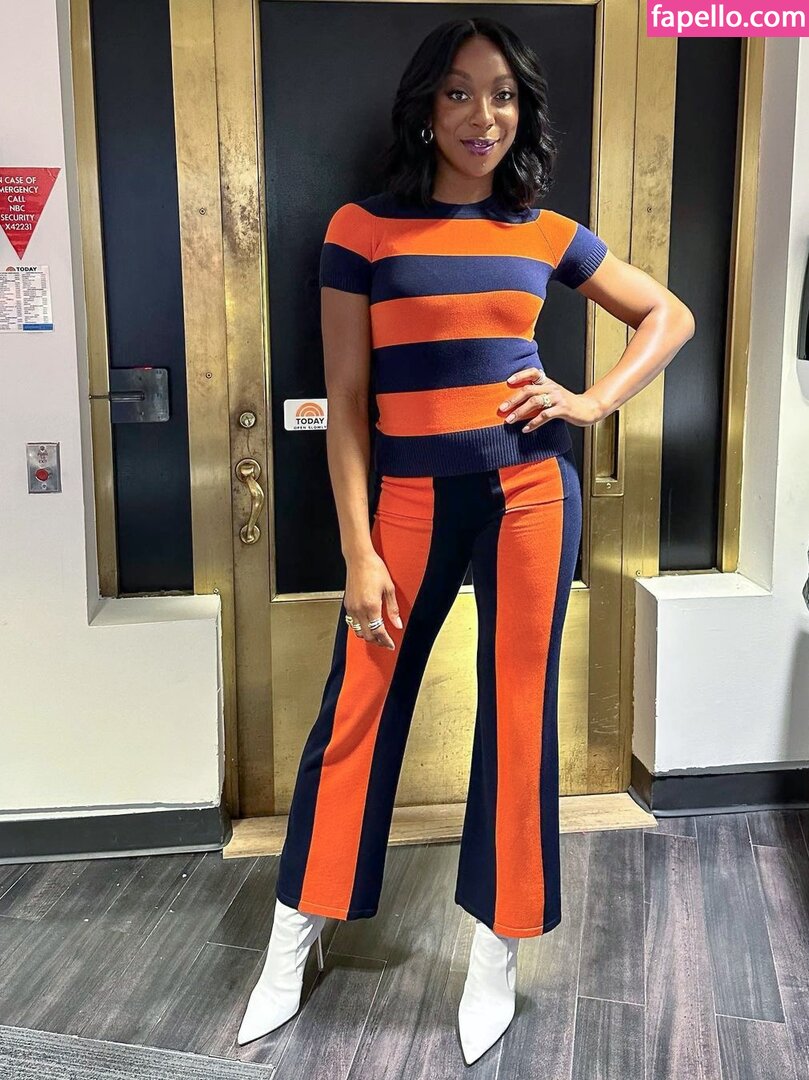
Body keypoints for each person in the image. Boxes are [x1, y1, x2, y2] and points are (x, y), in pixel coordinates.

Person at [238, 15, 695, 1065]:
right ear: (425, 108)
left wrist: (588, 401)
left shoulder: (543, 230)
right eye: (457, 92)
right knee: (357, 707)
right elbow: (345, 402)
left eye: (501, 95)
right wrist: (357, 551)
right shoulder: (362, 229)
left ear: (521, 111)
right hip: (405, 499)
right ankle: (293, 933)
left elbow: (664, 315)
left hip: (530, 493)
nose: (480, 115)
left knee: (519, 717)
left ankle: (496, 950)